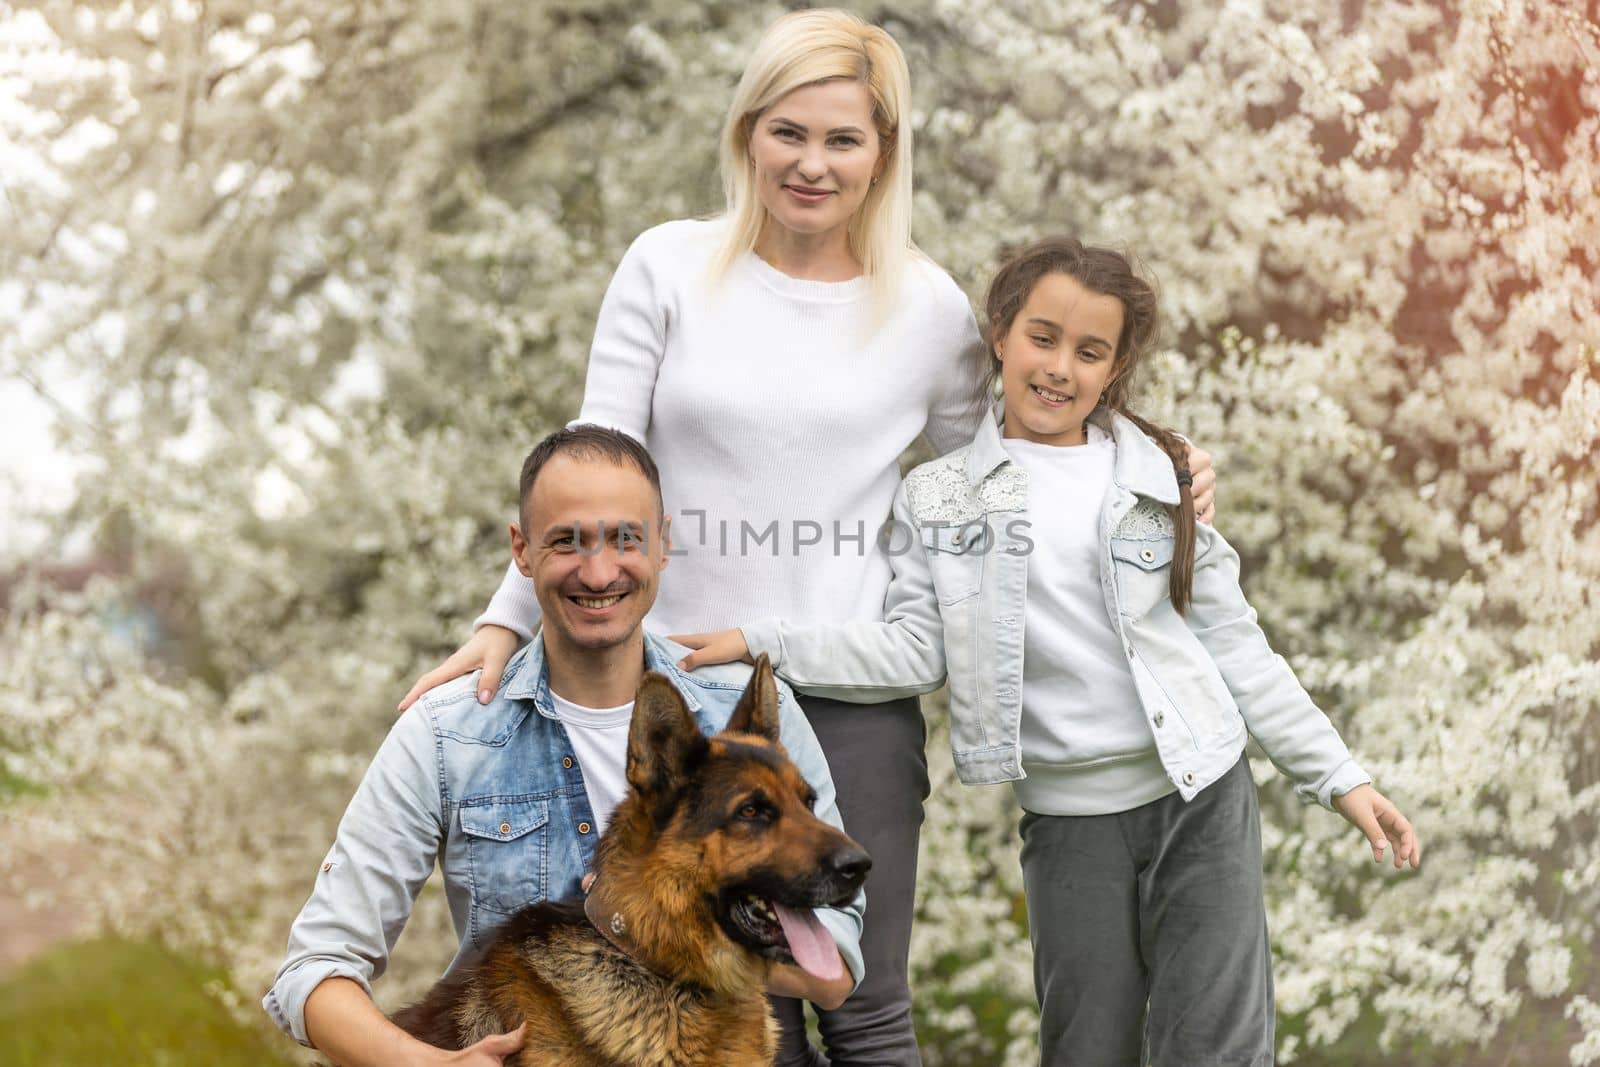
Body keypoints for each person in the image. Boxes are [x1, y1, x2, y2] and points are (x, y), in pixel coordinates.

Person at [397, 11, 1218, 1065]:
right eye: (789, 133)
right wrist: (502, 624)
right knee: (725, 1010)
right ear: (748, 132)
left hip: (851, 702)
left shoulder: (922, 306)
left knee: (863, 1006)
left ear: (883, 153)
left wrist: (1152, 463)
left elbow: (1014, 464)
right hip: (687, 711)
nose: (812, 164)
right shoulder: (666, 267)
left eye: (843, 139)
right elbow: (588, 469)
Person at [674, 237, 1422, 1066]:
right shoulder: (940, 494)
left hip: (1200, 795)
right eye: (1042, 337)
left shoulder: (1156, 475)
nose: (1059, 366)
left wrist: (1339, 778)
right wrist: (763, 639)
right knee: (1085, 1046)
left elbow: (1237, 644)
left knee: (1215, 1046)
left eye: (1089, 350)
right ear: (999, 333)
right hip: (1071, 825)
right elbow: (914, 650)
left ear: (1116, 365)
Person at [265, 426, 863, 1066]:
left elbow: (834, 974)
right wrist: (430, 1065)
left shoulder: (742, 715)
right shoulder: (446, 732)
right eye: (567, 541)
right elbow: (312, 971)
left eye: (625, 539)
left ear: (664, 544)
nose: (600, 571)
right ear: (521, 552)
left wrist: (645, 922)